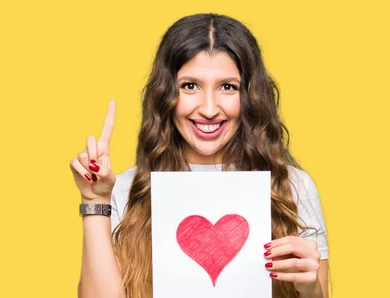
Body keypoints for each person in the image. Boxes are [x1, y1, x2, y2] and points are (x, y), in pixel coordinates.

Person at [70, 13, 328, 298]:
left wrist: (310, 287)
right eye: (190, 86)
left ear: (250, 96)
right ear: (166, 94)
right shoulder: (123, 190)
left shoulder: (293, 187)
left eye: (227, 87)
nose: (208, 109)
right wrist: (95, 201)